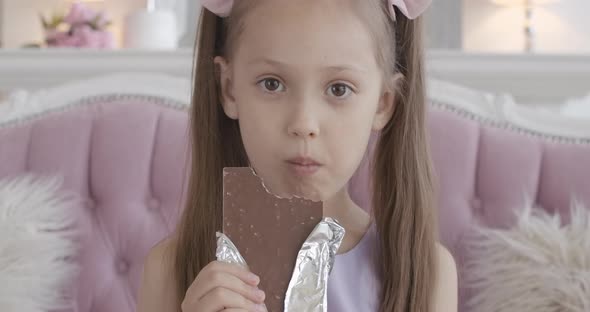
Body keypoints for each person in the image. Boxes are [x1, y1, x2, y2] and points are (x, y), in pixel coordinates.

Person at [137, 0, 458, 311]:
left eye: (338, 89)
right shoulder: (171, 272)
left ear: (383, 102)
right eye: (272, 84)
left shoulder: (428, 274)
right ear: (229, 88)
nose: (303, 124)